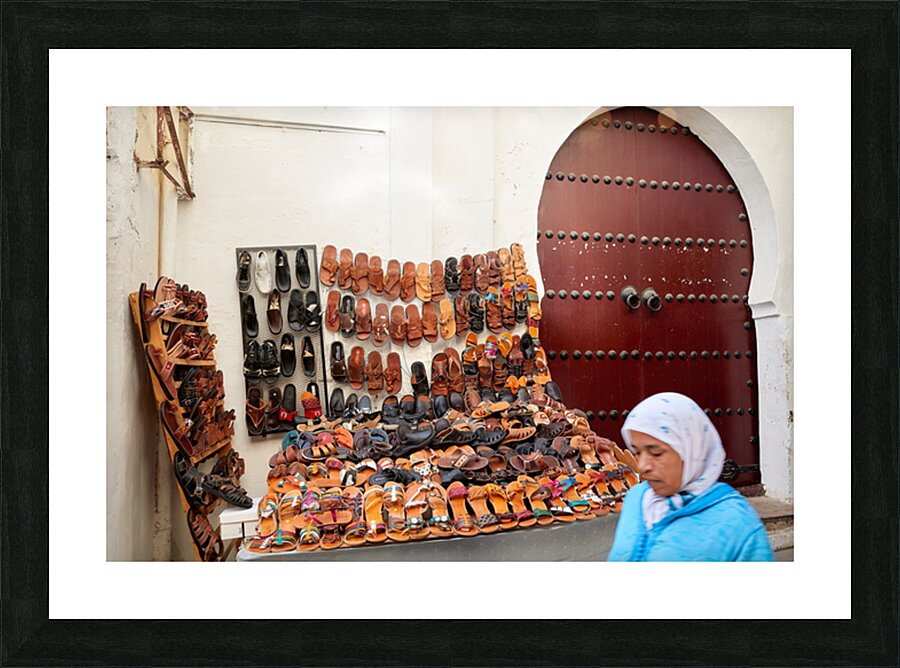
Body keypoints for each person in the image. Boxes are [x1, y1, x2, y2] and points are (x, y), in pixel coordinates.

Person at [607, 392, 773, 561]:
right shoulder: (636, 499)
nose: (642, 466)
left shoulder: (737, 523)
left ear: (691, 451)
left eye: (656, 453)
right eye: (637, 452)